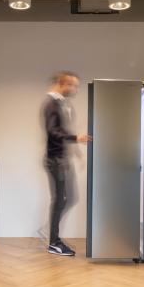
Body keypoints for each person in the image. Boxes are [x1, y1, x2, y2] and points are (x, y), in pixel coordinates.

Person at [42, 71, 91, 256]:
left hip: (60, 160)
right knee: (61, 199)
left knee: (67, 198)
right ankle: (53, 241)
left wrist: (75, 151)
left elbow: (60, 130)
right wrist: (76, 138)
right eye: (73, 85)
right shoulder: (51, 104)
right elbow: (53, 131)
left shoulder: (59, 103)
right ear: (63, 83)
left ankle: (53, 236)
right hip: (55, 160)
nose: (75, 90)